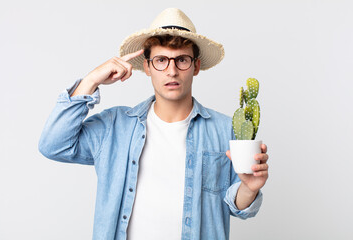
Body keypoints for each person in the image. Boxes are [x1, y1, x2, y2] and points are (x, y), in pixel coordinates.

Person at [39, 8, 269, 240]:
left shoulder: (225, 129)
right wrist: (91, 79)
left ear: (196, 66)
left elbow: (235, 206)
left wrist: (249, 188)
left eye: (182, 60)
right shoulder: (115, 126)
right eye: (161, 60)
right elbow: (54, 144)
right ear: (147, 67)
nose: (172, 71)